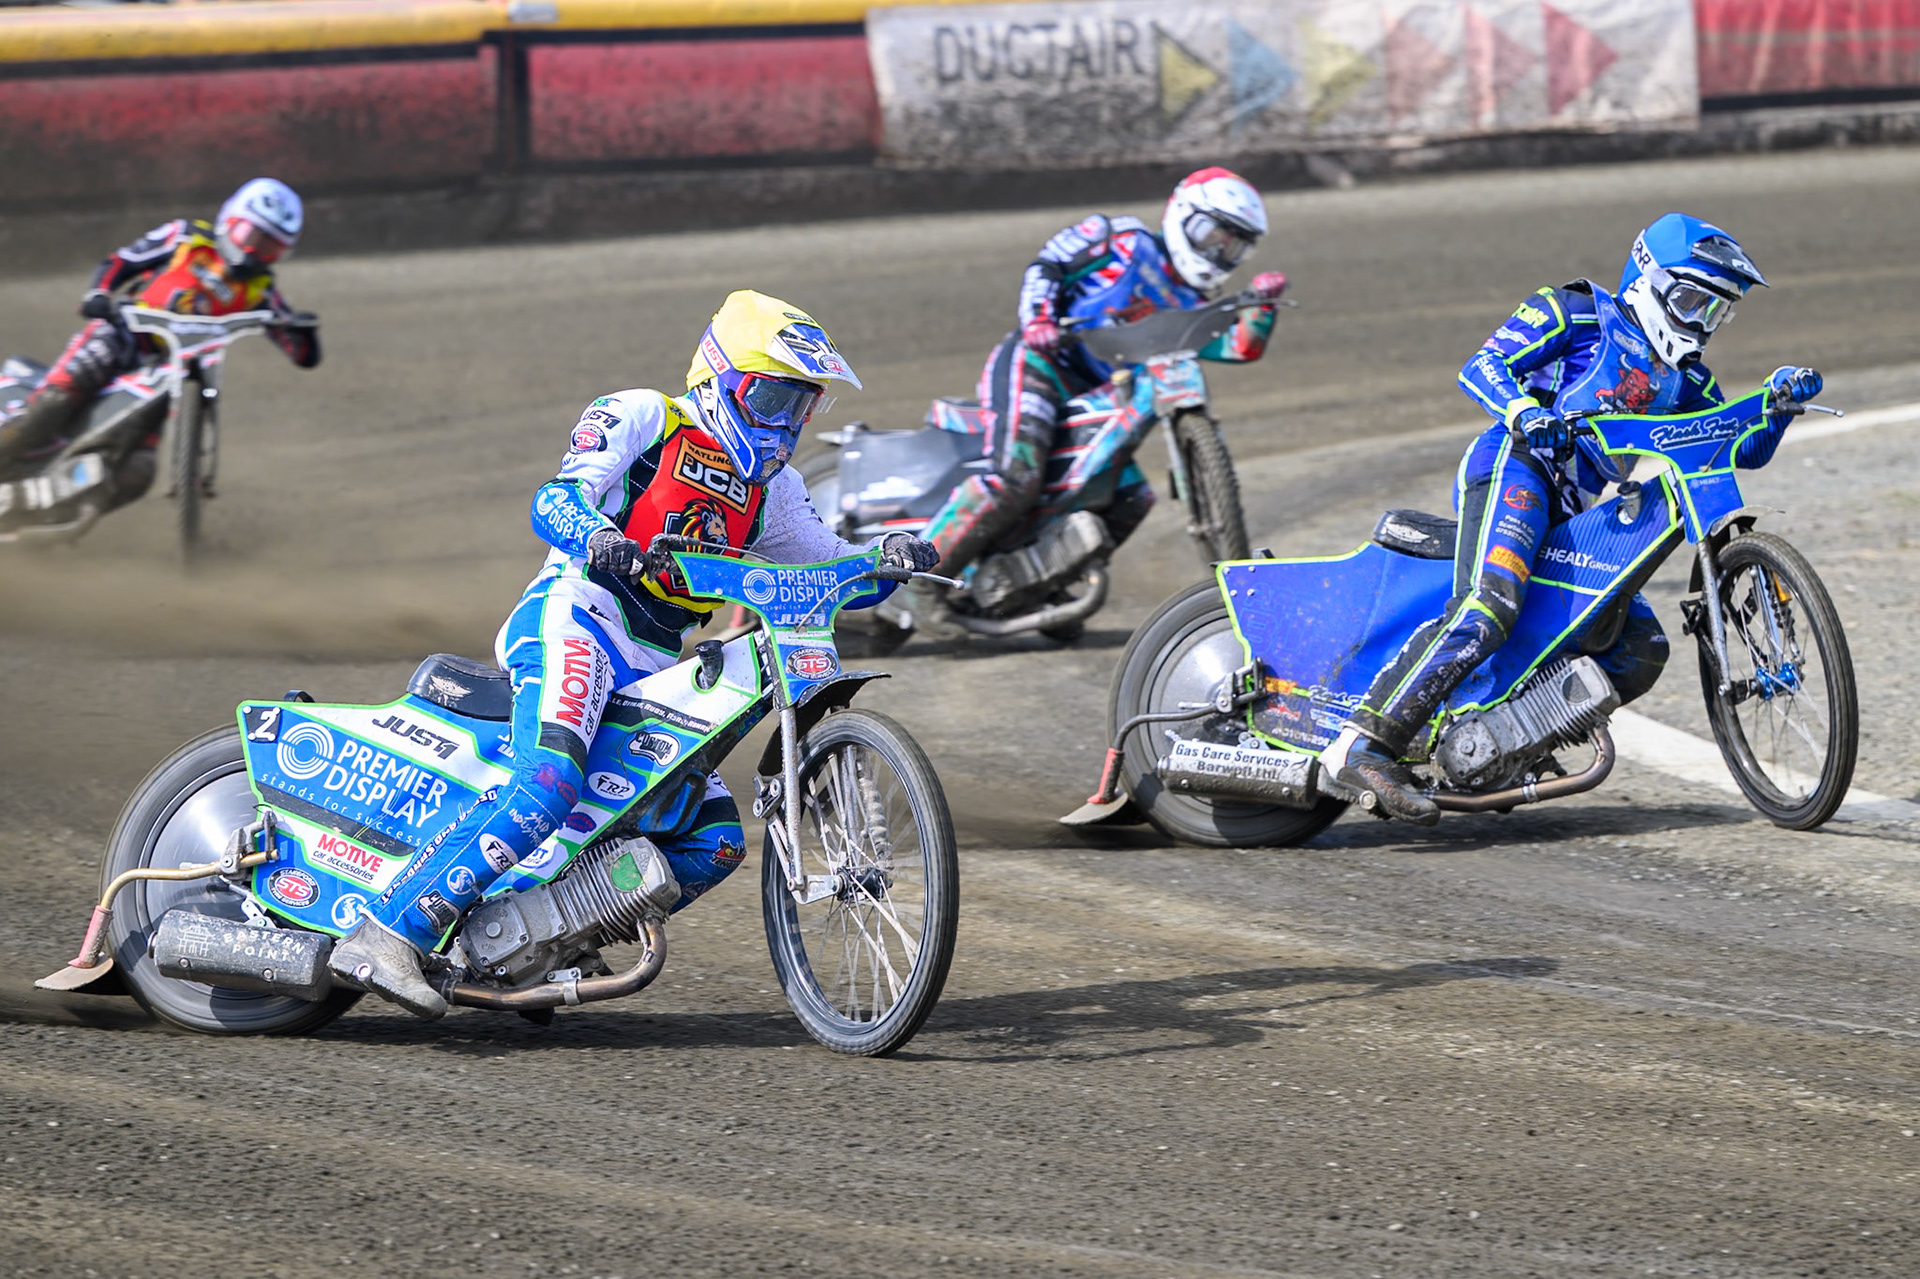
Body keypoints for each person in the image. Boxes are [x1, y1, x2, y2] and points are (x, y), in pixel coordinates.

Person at [329, 290, 939, 1018]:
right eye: (771, 397)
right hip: (577, 616)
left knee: (713, 842)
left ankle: (540, 939)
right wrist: (598, 537)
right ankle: (390, 932)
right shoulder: (647, 416)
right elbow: (555, 498)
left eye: (800, 405)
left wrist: (885, 558)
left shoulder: (775, 491)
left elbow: (829, 568)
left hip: (655, 663)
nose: (784, 425)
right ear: (720, 380)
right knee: (550, 781)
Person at [1319, 212, 1822, 824]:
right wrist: (1526, 412)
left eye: (1716, 311)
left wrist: (1777, 406)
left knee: (1639, 645)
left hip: (1580, 511)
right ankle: (1363, 746)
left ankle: (1506, 742)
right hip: (1518, 465)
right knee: (1490, 606)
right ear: (1649, 280)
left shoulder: (1690, 381)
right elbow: (1482, 365)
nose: (1701, 324)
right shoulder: (1577, 311)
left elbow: (1738, 449)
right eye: (1692, 301)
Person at [907, 167, 1290, 623]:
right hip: (1039, 365)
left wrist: (1261, 309)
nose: (1219, 250)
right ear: (1182, 215)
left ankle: (1024, 586)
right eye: (1213, 234)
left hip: (1099, 395)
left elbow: (1238, 346)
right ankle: (916, 585)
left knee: (1132, 499)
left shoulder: (1197, 302)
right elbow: (1049, 264)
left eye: (1234, 245)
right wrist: (1039, 320)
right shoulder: (1119, 238)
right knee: (1015, 479)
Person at [0, 178, 320, 502]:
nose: (254, 254)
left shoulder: (262, 290)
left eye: (270, 248)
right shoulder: (186, 236)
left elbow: (302, 354)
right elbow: (121, 262)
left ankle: (52, 520)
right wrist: (98, 294)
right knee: (59, 396)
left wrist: (304, 332)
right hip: (122, 333)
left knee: (138, 471)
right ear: (229, 220)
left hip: (171, 372)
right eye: (250, 238)